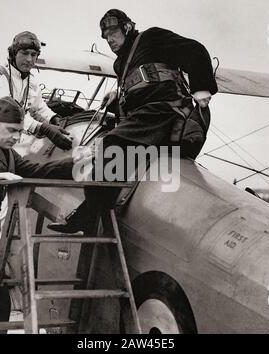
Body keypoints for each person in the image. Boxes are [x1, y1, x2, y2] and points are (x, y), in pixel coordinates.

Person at [47, 8, 218, 233]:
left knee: (110, 145)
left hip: (165, 111)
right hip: (145, 118)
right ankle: (93, 213)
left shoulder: (152, 38)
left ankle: (88, 215)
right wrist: (119, 95)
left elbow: (195, 51)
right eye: (105, 36)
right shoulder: (120, 65)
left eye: (113, 32)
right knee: (117, 156)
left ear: (127, 27)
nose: (109, 39)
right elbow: (140, 88)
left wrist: (201, 89)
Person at [0, 96, 75, 331]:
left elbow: (35, 170)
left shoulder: (8, 153)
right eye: (11, 130)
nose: (16, 137)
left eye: (20, 132)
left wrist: (74, 161)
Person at [0, 31, 72, 151]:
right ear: (13, 54)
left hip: (6, 143)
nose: (29, 59)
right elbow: (5, 112)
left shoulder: (29, 81)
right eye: (24, 53)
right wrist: (42, 128)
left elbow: (40, 106)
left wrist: (54, 118)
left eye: (33, 54)